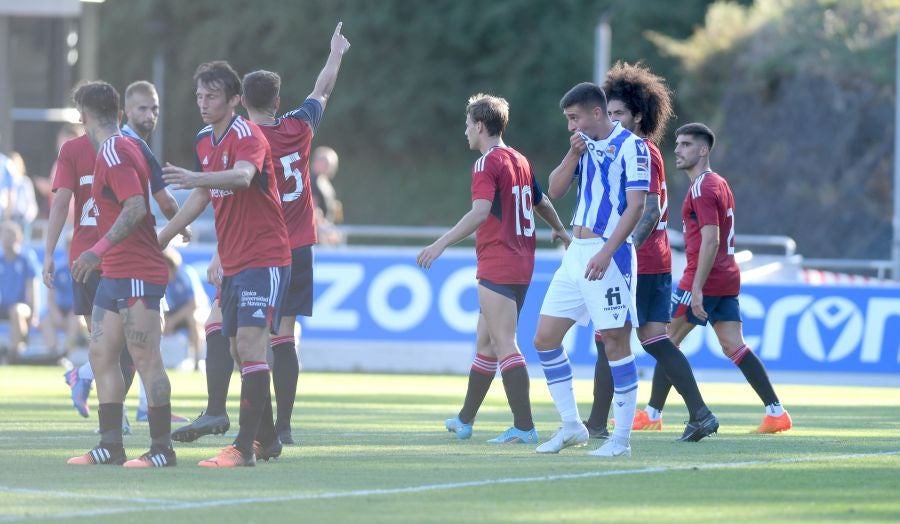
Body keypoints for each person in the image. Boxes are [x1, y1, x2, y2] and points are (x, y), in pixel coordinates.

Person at [159, 60, 292, 467]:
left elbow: (242, 177)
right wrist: (162, 237)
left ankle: (243, 447)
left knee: (250, 346)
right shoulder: (205, 139)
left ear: (234, 100)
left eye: (212, 96)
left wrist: (196, 178)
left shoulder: (248, 135)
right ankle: (267, 440)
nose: (203, 103)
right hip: (233, 259)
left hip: (265, 256)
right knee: (233, 345)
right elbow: (202, 196)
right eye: (199, 95)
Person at [418, 93, 570, 444]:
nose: (465, 131)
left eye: (467, 124)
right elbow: (541, 201)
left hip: (498, 260)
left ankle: (525, 427)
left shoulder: (486, 163)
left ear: (480, 125)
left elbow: (480, 212)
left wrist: (440, 244)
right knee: (486, 343)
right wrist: (560, 229)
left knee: (504, 342)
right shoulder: (519, 159)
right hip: (522, 262)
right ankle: (465, 420)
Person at [585, 62, 719, 443]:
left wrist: (623, 249)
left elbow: (652, 207)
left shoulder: (642, 150)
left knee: (610, 337)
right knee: (651, 339)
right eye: (608, 113)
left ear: (639, 116)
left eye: (619, 113)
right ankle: (699, 414)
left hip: (640, 262)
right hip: (651, 260)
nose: (612, 120)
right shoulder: (627, 150)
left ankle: (596, 423)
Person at [45, 79, 187, 422]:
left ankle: (117, 410)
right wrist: (178, 225)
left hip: (108, 259)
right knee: (123, 346)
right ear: (122, 113)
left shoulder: (116, 148)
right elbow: (148, 204)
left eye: (153, 109)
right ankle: (125, 420)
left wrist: (50, 253)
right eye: (143, 108)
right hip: (103, 259)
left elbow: (63, 204)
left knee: (120, 346)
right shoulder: (122, 148)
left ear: (84, 116)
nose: (149, 115)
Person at [644, 122, 792, 434]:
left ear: (703, 150)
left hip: (705, 276)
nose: (677, 150)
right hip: (726, 275)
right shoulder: (719, 183)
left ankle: (652, 414)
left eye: (686, 145)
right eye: (677, 144)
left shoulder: (702, 187)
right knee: (733, 345)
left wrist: (697, 288)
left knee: (665, 339)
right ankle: (776, 412)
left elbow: (710, 240)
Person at [531, 82, 647, 458]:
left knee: (614, 341)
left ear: (596, 113)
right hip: (576, 254)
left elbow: (637, 206)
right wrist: (571, 153)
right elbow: (554, 190)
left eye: (574, 118)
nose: (570, 126)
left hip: (609, 254)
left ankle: (621, 440)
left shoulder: (633, 147)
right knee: (545, 339)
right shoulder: (582, 146)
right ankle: (571, 425)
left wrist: (607, 252)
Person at [160, 247, 207, 371]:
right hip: (172, 315)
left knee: (193, 319)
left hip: (193, 312)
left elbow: (194, 304)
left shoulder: (186, 273)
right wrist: (165, 321)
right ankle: (157, 362)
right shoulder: (160, 279)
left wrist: (172, 321)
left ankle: (197, 361)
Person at [0, 220, 40, 360]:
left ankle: (14, 352)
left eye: (11, 234)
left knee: (16, 311)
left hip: (23, 307)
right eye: (4, 234)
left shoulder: (26, 259)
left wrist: (34, 314)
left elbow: (32, 287)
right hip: (3, 306)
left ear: (19, 238)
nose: (7, 238)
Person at [310, 146, 344, 245]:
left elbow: (335, 211)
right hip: (318, 235)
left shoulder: (325, 182)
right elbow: (313, 209)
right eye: (326, 163)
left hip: (328, 230)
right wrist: (326, 232)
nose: (330, 166)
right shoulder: (311, 182)